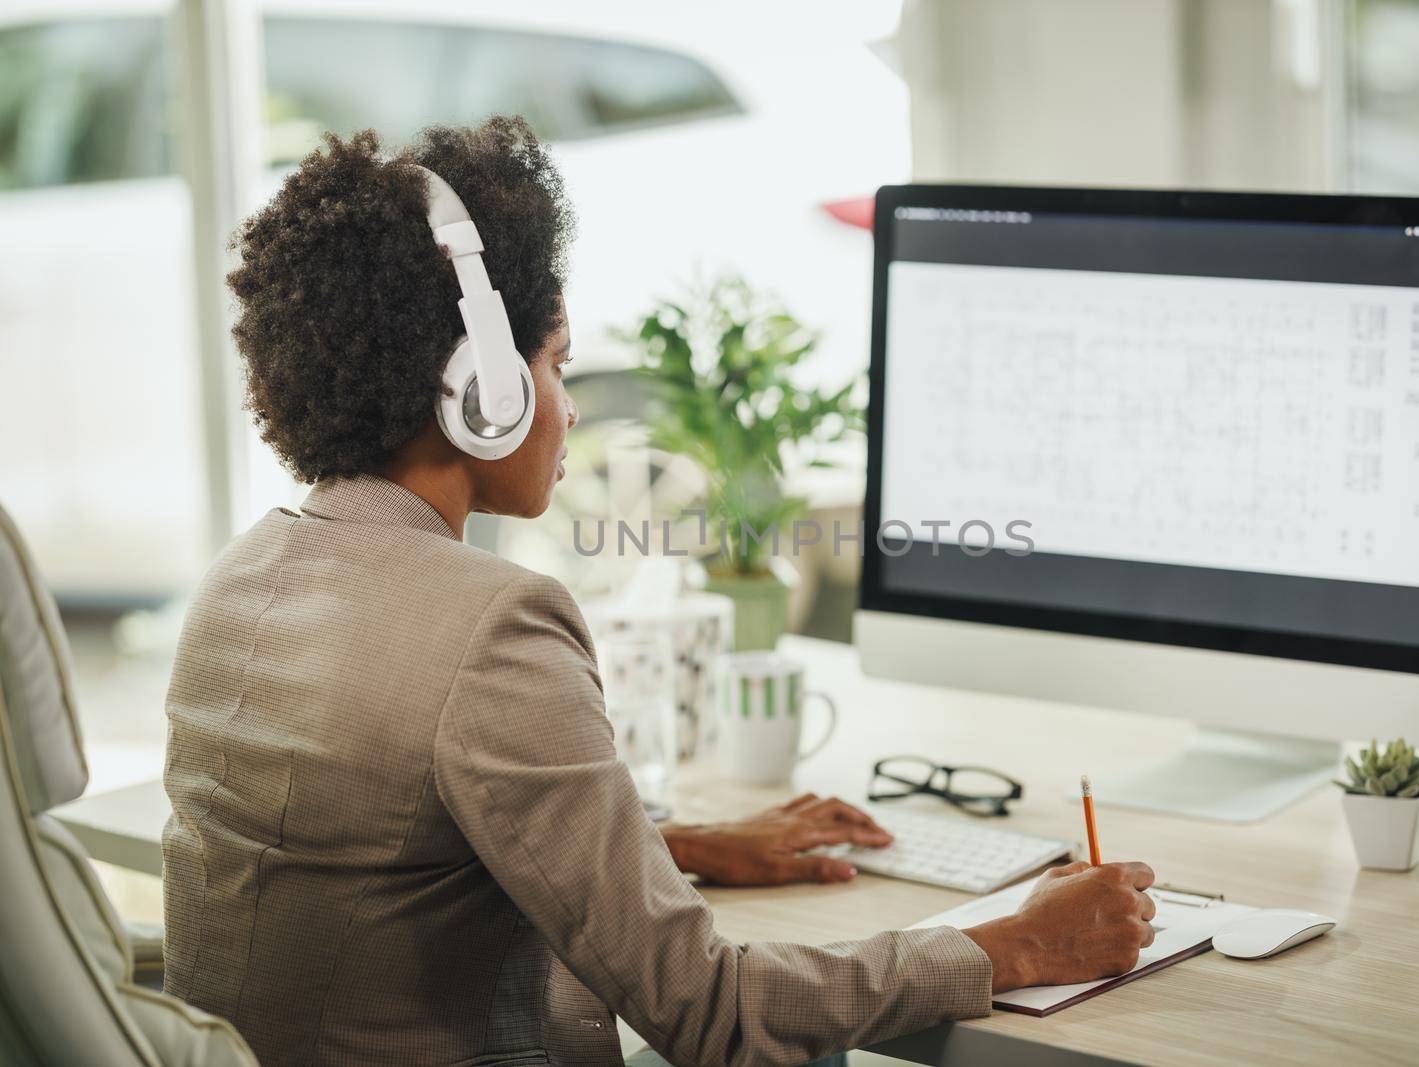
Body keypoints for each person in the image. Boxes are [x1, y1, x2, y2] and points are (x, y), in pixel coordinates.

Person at [161, 116, 1157, 1067]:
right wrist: (1013, 944)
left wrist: (669, 845)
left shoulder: (237, 582)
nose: (571, 403)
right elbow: (707, 1009)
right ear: (483, 390)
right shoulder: (493, 623)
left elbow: (386, 854)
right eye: (556, 365)